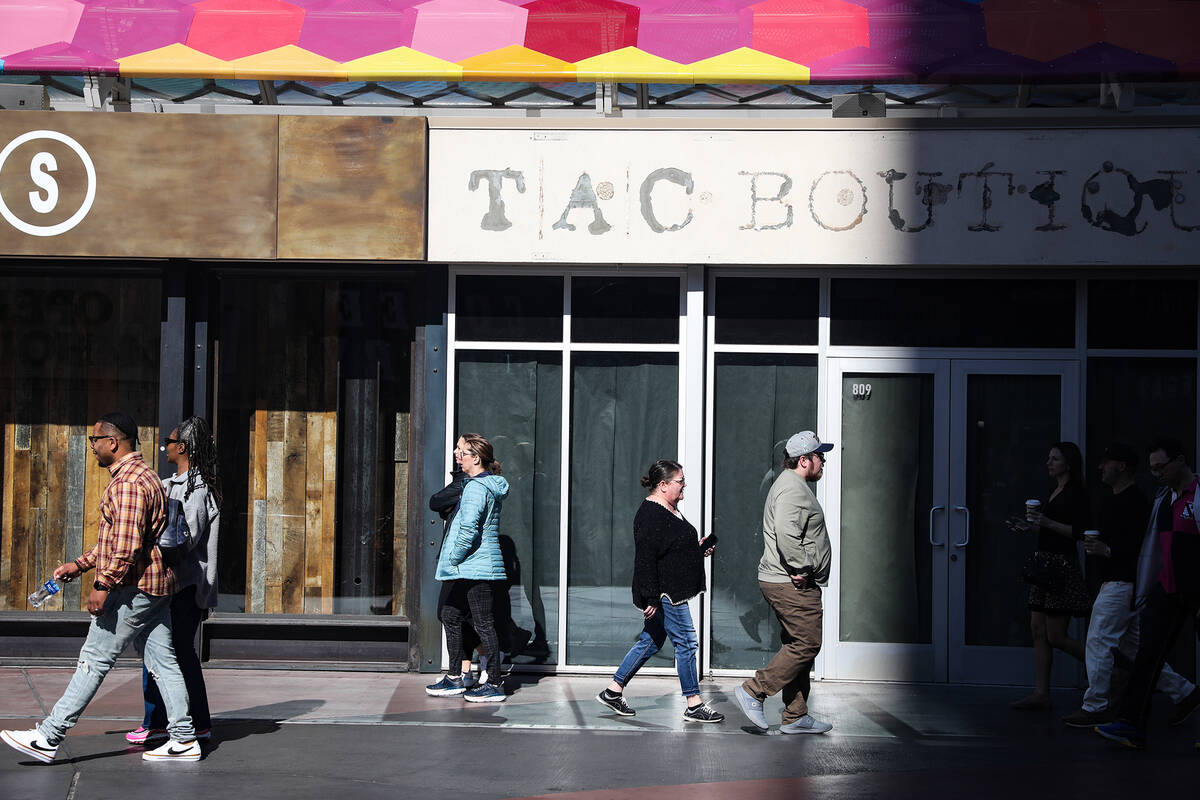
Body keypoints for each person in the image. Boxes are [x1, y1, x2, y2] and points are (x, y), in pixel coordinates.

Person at [1, 413, 200, 763]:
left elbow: (125, 546)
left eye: (95, 440)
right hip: (153, 585)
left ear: (113, 442)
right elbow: (119, 538)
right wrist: (79, 564)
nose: (91, 446)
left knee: (94, 659)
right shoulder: (143, 476)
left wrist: (101, 585)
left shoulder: (127, 484)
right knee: (164, 662)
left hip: (132, 588)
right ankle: (184, 738)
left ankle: (49, 736)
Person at [1062, 443, 1198, 728]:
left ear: (1121, 466)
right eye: (1153, 467)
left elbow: (1143, 548)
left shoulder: (1139, 502)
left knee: (1099, 640)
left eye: (1106, 462)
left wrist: (1107, 551)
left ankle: (1096, 705)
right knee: (1136, 647)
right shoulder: (1134, 500)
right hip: (1127, 583)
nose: (1100, 467)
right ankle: (1185, 693)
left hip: (1124, 583)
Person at [596, 460, 724, 722]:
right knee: (687, 643)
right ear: (663, 485)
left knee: (651, 641)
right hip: (666, 593)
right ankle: (693, 703)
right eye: (680, 481)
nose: (684, 484)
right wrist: (651, 597)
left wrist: (699, 550)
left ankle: (613, 690)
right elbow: (646, 559)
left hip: (671, 588)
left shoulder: (669, 508)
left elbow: (672, 551)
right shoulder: (650, 514)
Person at [1096, 439, 1200, 750]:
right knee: (1147, 655)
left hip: (1193, 590)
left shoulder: (1194, 498)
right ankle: (1130, 725)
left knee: (1148, 654)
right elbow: (1154, 550)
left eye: (1162, 467)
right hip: (1167, 589)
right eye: (1153, 468)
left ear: (1180, 461)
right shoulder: (1164, 499)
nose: (1157, 473)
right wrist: (1144, 589)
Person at [126, 417, 223, 745]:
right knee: (158, 651)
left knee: (178, 652)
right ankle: (156, 720)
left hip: (185, 586)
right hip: (169, 584)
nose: (164, 446)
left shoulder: (195, 490)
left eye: (169, 441)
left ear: (182, 447)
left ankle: (195, 723)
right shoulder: (171, 484)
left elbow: (186, 540)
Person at [734, 430, 834, 735]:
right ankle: (755, 691)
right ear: (804, 460)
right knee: (807, 643)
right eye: (820, 456)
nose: (824, 462)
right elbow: (787, 532)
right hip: (791, 582)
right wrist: (802, 566)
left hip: (784, 579)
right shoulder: (793, 490)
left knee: (796, 643)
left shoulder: (792, 485)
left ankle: (796, 714)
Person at [424, 433, 510, 702]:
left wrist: (453, 557)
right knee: (449, 613)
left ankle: (494, 683)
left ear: (476, 457)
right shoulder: (478, 484)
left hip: (473, 566)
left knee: (483, 623)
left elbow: (469, 528)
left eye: (462, 451)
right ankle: (455, 677)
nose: (457, 455)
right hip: (470, 566)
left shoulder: (475, 487)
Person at [1010, 441, 1090, 711]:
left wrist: (1046, 523)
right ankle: (1041, 692)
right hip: (1044, 563)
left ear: (1068, 463)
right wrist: (1030, 528)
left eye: (1054, 459)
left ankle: (1108, 670)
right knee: (1037, 630)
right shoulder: (1054, 490)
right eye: (1049, 458)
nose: (1049, 463)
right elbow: (1050, 530)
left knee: (1056, 635)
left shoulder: (1076, 492)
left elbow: (1079, 532)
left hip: (1061, 565)